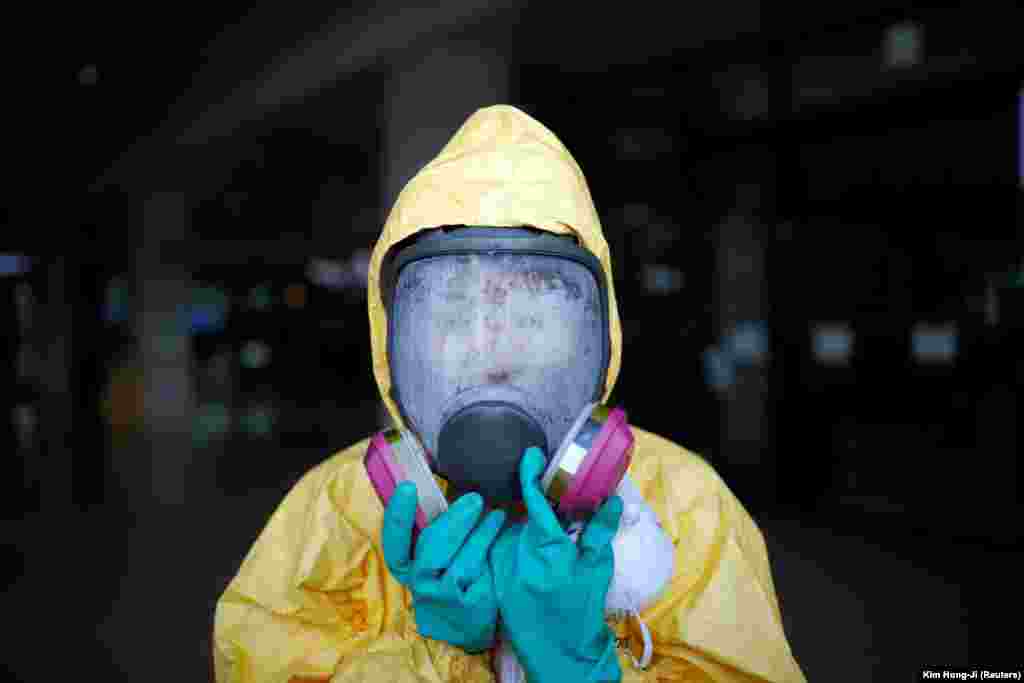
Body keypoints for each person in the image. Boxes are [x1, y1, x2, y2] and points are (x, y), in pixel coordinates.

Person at [213, 105, 806, 683]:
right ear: (393, 340)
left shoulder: (685, 506)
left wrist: (586, 671)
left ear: (596, 335)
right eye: (452, 316)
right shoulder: (334, 514)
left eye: (530, 317)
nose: (490, 351)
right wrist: (436, 655)